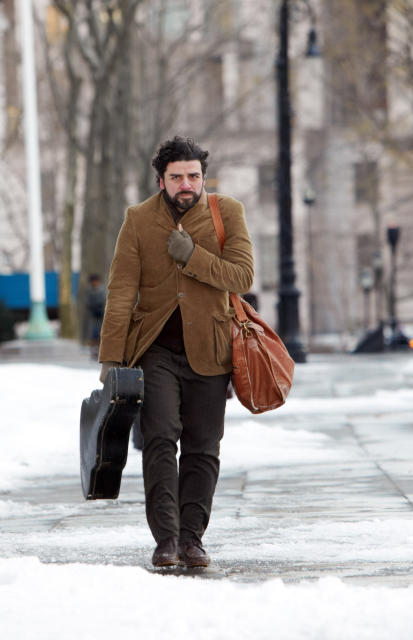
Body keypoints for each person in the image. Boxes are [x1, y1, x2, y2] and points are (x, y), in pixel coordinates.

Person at [98, 136, 254, 568]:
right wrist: (111, 358)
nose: (186, 184)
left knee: (204, 446)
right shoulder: (138, 219)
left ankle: (192, 538)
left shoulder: (228, 213)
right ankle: (166, 538)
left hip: (210, 349)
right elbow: (121, 290)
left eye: (193, 176)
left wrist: (194, 256)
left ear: (203, 177)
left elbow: (242, 276)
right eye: (176, 177)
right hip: (155, 351)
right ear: (161, 179)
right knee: (160, 438)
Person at [85, 273, 106, 360]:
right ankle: (94, 352)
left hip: (102, 316)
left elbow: (105, 301)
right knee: (94, 335)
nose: (95, 283)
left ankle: (102, 352)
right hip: (94, 316)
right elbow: (88, 303)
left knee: (103, 334)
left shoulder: (102, 291)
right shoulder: (89, 291)